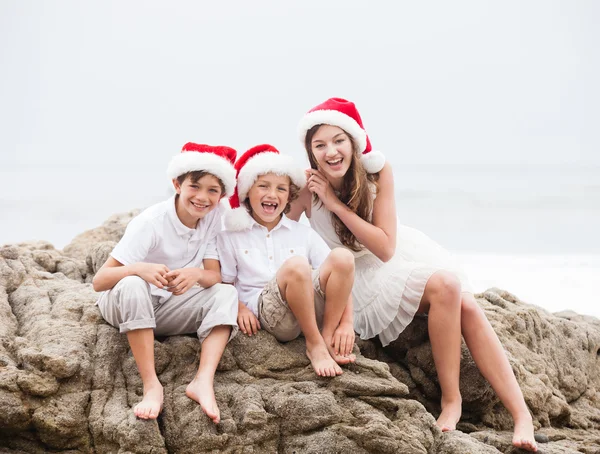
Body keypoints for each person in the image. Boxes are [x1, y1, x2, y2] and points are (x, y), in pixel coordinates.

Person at [289, 98, 537, 451]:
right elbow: (276, 233)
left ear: (354, 142)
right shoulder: (306, 185)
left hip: (392, 255)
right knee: (448, 288)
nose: (331, 151)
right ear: (310, 152)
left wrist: (334, 204)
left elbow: (386, 248)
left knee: (465, 303)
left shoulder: (376, 172)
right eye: (320, 145)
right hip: (352, 275)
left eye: (338, 140)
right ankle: (452, 400)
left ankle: (518, 414)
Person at [92, 142, 239, 424]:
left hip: (165, 308)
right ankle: (151, 386)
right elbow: (100, 282)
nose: (202, 197)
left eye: (213, 190)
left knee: (225, 293)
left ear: (221, 196)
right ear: (177, 184)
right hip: (122, 306)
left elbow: (213, 275)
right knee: (134, 285)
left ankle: (202, 381)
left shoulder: (213, 217)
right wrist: (139, 269)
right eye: (195, 186)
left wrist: (195, 275)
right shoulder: (151, 222)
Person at [217, 144, 356, 377]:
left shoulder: (302, 233)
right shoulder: (230, 236)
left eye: (281, 189)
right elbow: (223, 282)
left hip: (309, 308)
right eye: (263, 186)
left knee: (343, 257)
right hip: (273, 315)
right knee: (298, 265)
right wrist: (239, 308)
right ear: (247, 192)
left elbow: (341, 277)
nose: (273, 195)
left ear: (289, 196)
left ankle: (327, 336)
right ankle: (314, 345)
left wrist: (347, 323)